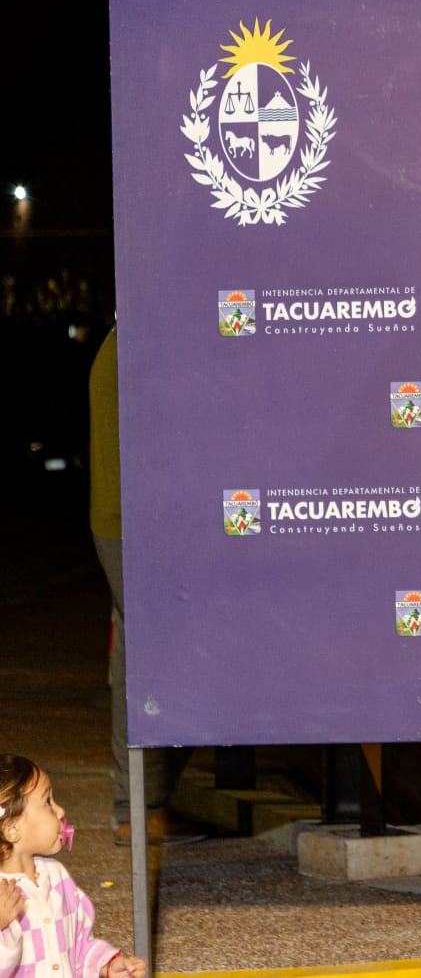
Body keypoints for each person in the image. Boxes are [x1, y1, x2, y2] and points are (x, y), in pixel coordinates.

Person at [88, 328, 203, 846]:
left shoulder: (124, 338)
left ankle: (137, 809)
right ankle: (140, 809)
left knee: (137, 656)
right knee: (159, 657)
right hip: (137, 525)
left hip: (125, 521)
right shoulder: (138, 339)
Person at [0, 754, 147, 978]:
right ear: (12, 828)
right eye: (48, 802)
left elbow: (77, 947)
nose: (60, 811)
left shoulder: (56, 877)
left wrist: (105, 965)